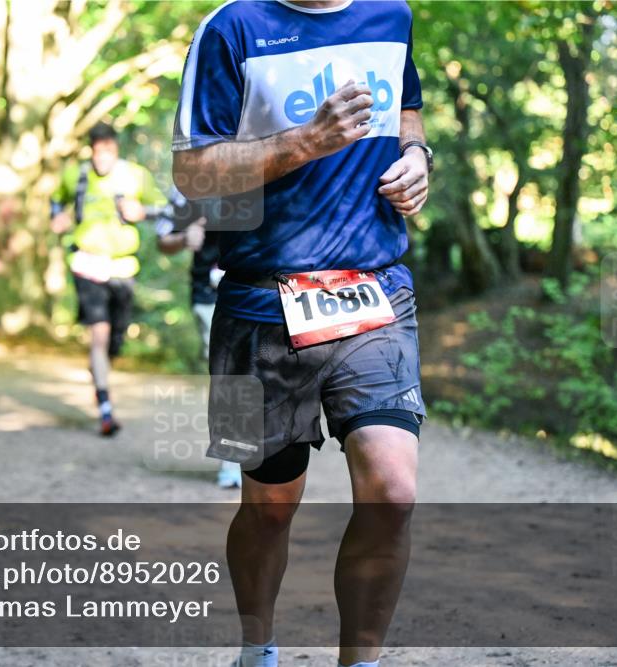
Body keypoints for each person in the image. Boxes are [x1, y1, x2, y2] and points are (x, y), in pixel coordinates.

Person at [172, 1, 433, 666]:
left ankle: (362, 662)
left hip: (375, 289)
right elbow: (193, 173)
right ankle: (256, 646)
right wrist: (303, 142)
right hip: (258, 302)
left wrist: (417, 153)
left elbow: (407, 105)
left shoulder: (391, 15)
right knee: (268, 506)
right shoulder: (230, 28)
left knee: (393, 490)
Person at [50, 122, 166, 436]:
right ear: (91, 149)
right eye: (97, 151)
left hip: (123, 268)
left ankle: (100, 366)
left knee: (115, 340)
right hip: (86, 263)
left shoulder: (135, 175)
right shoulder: (76, 174)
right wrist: (56, 219)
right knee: (98, 335)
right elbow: (55, 201)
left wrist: (141, 212)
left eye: (108, 150)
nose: (102, 157)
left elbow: (164, 208)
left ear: (117, 148)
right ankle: (105, 407)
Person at [155, 186, 243, 489]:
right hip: (210, 294)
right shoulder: (186, 187)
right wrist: (184, 237)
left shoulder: (266, 166)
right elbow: (163, 238)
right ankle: (232, 461)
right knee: (228, 372)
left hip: (263, 289)